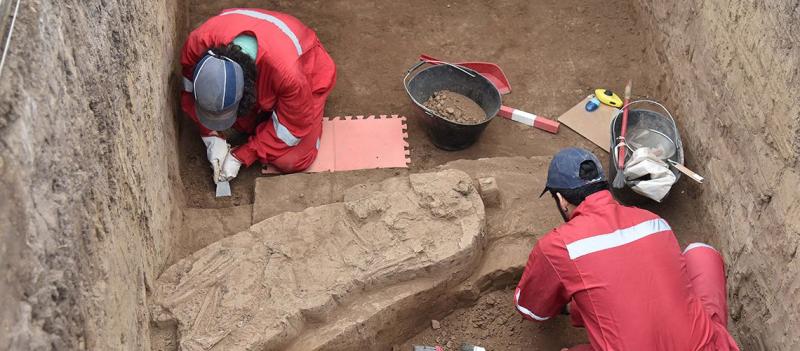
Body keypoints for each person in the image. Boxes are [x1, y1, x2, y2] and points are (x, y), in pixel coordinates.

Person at [514, 148, 739, 350]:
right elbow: (642, 286)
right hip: (706, 346)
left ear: (562, 200)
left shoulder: (559, 246)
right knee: (700, 254)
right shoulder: (653, 221)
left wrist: (567, 305)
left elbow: (531, 310)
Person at [180, 8, 336, 184]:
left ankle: (313, 117)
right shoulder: (197, 44)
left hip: (309, 71)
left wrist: (242, 155)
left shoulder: (289, 76)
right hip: (266, 39)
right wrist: (210, 135)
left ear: (248, 89)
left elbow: (292, 128)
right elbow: (190, 90)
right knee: (243, 124)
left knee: (290, 159)